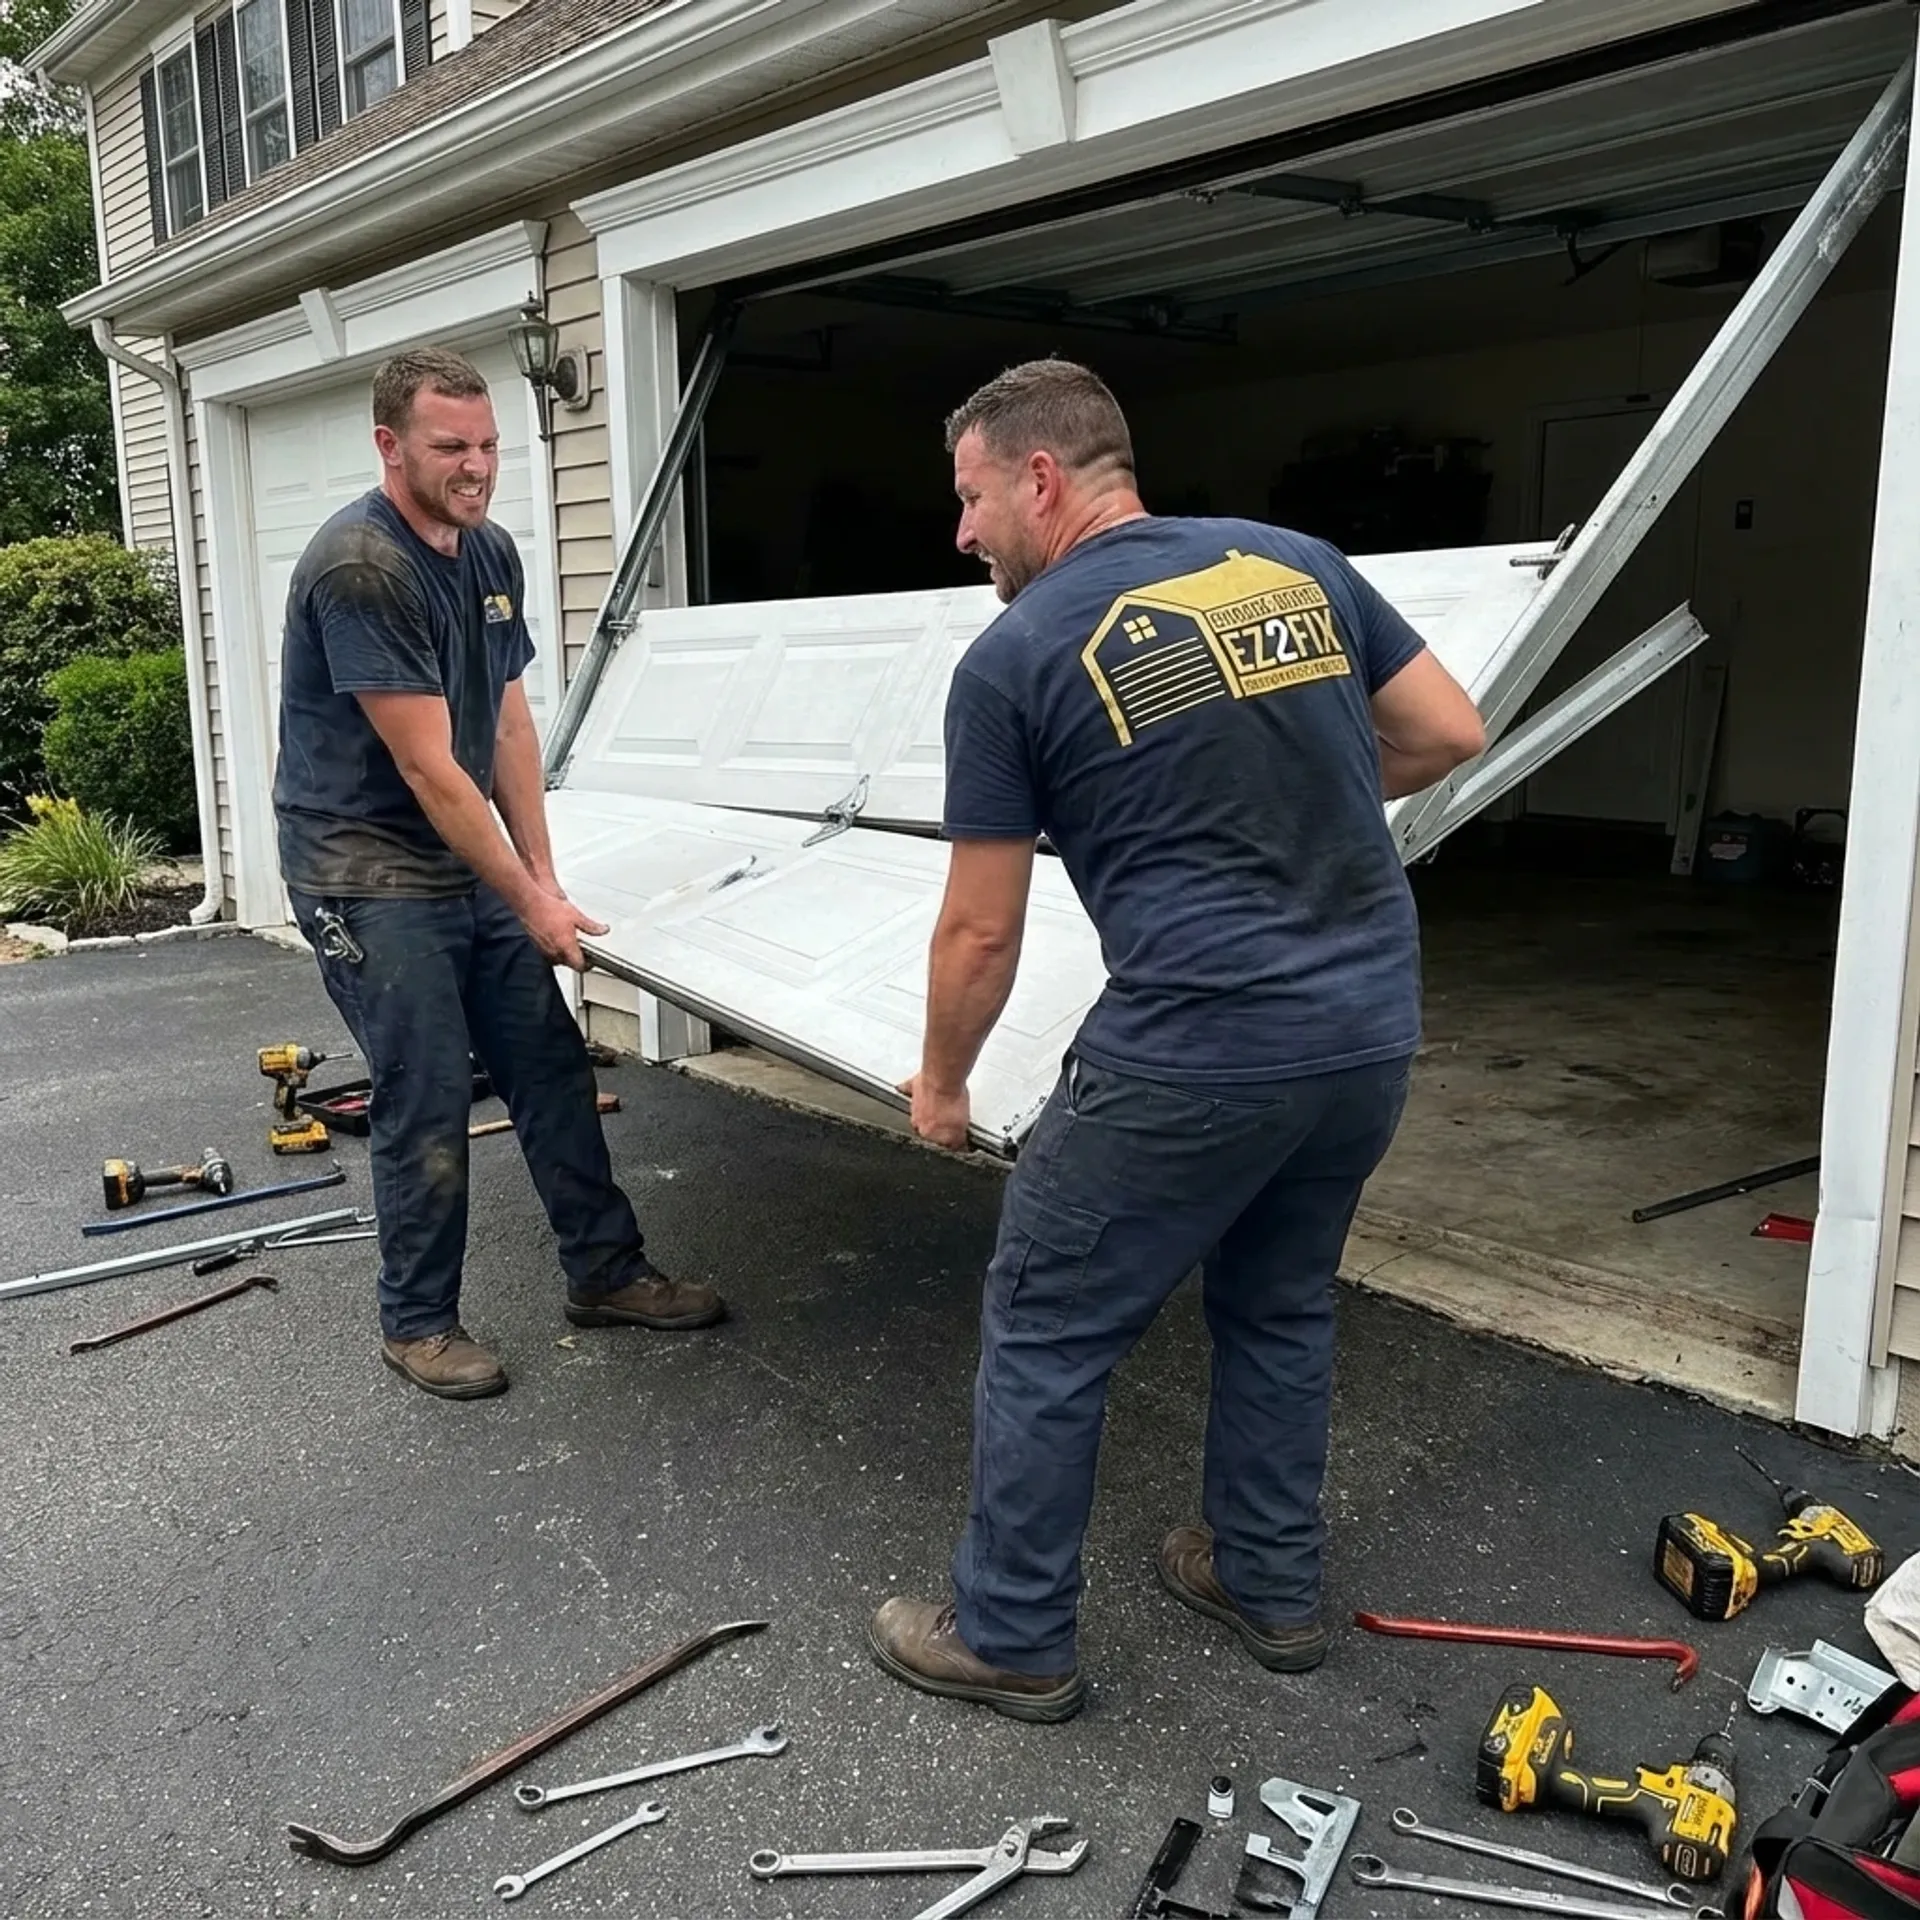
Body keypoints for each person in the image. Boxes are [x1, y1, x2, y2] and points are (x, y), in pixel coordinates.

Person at [869, 358, 1486, 1720]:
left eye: (971, 499)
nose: (962, 533)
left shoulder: (1017, 658)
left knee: (1046, 1323)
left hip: (1193, 1055)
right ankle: (1265, 1583)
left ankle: (1013, 1633)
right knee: (1277, 1304)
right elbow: (1449, 729)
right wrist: (1293, 773)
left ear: (1041, 478)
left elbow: (979, 934)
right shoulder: (1297, 565)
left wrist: (943, 1083)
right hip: (1366, 1035)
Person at [271, 345, 725, 1400]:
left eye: (487, 445)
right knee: (426, 1090)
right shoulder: (363, 568)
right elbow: (430, 770)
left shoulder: (490, 552)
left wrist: (543, 879)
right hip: (365, 867)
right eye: (450, 447)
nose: (476, 467)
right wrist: (526, 898)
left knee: (550, 1065)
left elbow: (510, 723)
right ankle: (418, 1323)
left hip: (461, 850)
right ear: (391, 445)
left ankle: (605, 1275)